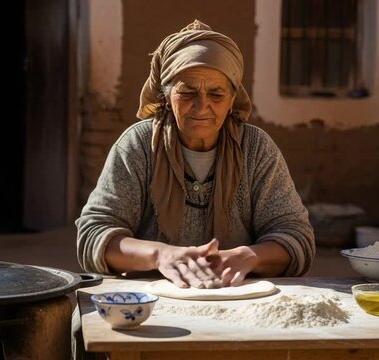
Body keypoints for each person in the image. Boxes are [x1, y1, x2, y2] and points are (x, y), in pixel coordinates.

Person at [76, 20, 315, 290]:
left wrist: (247, 257)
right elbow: (94, 235)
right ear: (166, 96)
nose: (202, 106)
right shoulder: (139, 145)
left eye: (216, 94)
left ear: (232, 99)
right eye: (187, 92)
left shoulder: (255, 149)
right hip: (154, 300)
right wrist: (161, 255)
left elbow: (296, 236)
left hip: (236, 296)